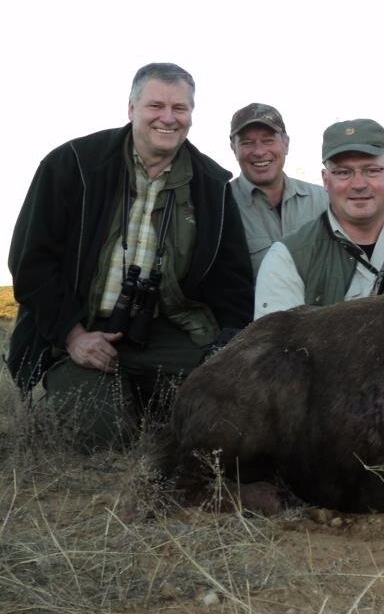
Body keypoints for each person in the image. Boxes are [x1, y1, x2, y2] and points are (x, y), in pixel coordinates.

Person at [5, 62, 253, 450]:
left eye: (180, 109)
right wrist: (73, 336)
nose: (168, 118)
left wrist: (225, 349)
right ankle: (66, 398)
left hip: (165, 328)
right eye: (156, 106)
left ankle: (148, 404)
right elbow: (30, 263)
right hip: (79, 328)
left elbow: (232, 281)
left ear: (191, 114)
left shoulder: (213, 184)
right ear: (131, 109)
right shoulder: (72, 163)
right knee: (99, 437)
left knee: (225, 416)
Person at [255, 118, 384, 318]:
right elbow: (274, 349)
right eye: (343, 173)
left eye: (372, 171)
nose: (359, 184)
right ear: (326, 181)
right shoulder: (287, 257)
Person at [228, 103, 328, 274]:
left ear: (286, 144)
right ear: (233, 148)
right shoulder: (220, 206)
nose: (259, 151)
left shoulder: (323, 200)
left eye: (268, 140)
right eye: (247, 143)